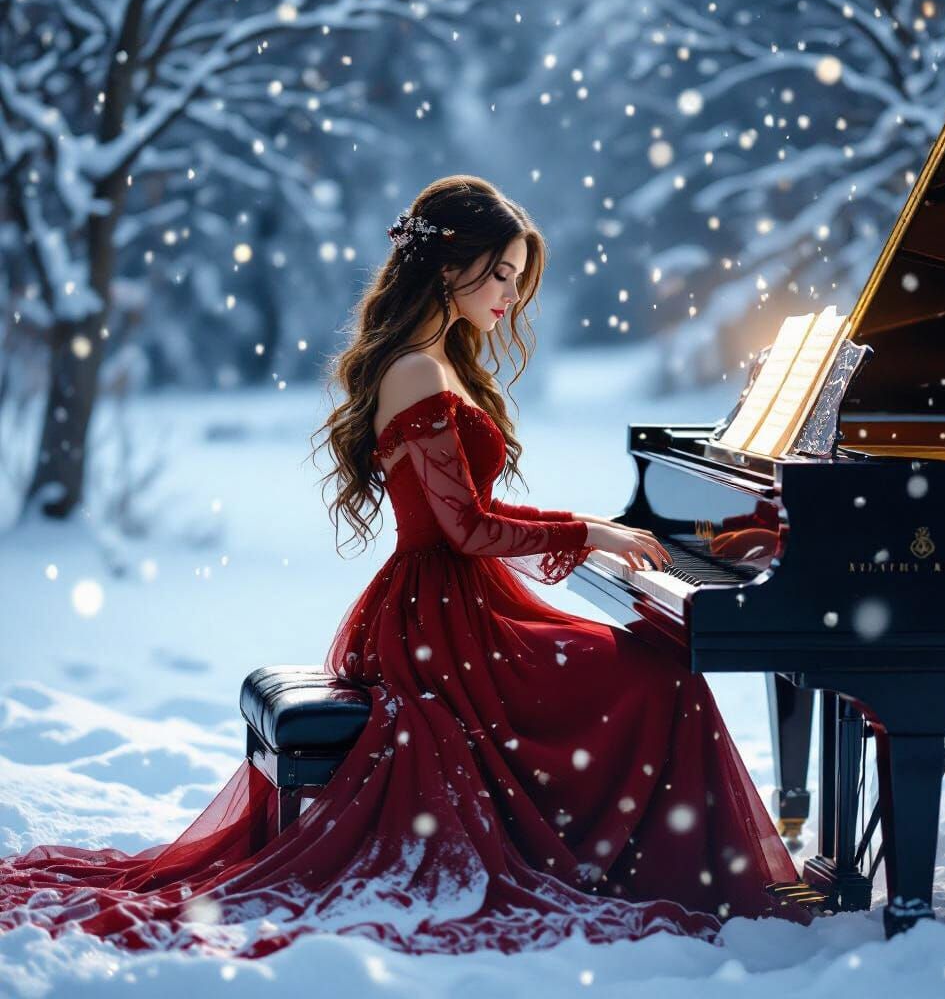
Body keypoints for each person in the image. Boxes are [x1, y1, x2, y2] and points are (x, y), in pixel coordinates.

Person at [0, 175, 808, 958]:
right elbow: (463, 529)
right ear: (447, 266)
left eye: (518, 279)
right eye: (499, 274)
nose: (510, 297)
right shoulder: (417, 369)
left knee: (650, 669)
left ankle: (634, 865)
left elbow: (465, 520)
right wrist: (589, 534)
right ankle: (659, 874)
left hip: (456, 606)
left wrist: (589, 526)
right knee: (655, 676)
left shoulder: (434, 358)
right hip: (443, 624)